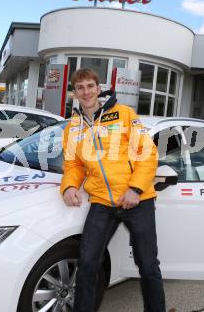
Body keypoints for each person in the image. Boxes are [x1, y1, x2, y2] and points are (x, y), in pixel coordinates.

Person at [60, 68, 166, 312]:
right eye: (80, 87)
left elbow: (147, 154)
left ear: (99, 89)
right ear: (74, 93)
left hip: (137, 200)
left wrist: (136, 189)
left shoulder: (124, 114)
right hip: (102, 202)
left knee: (148, 265)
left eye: (90, 86)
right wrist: (69, 186)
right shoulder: (73, 127)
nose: (85, 91)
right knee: (87, 263)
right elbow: (73, 164)